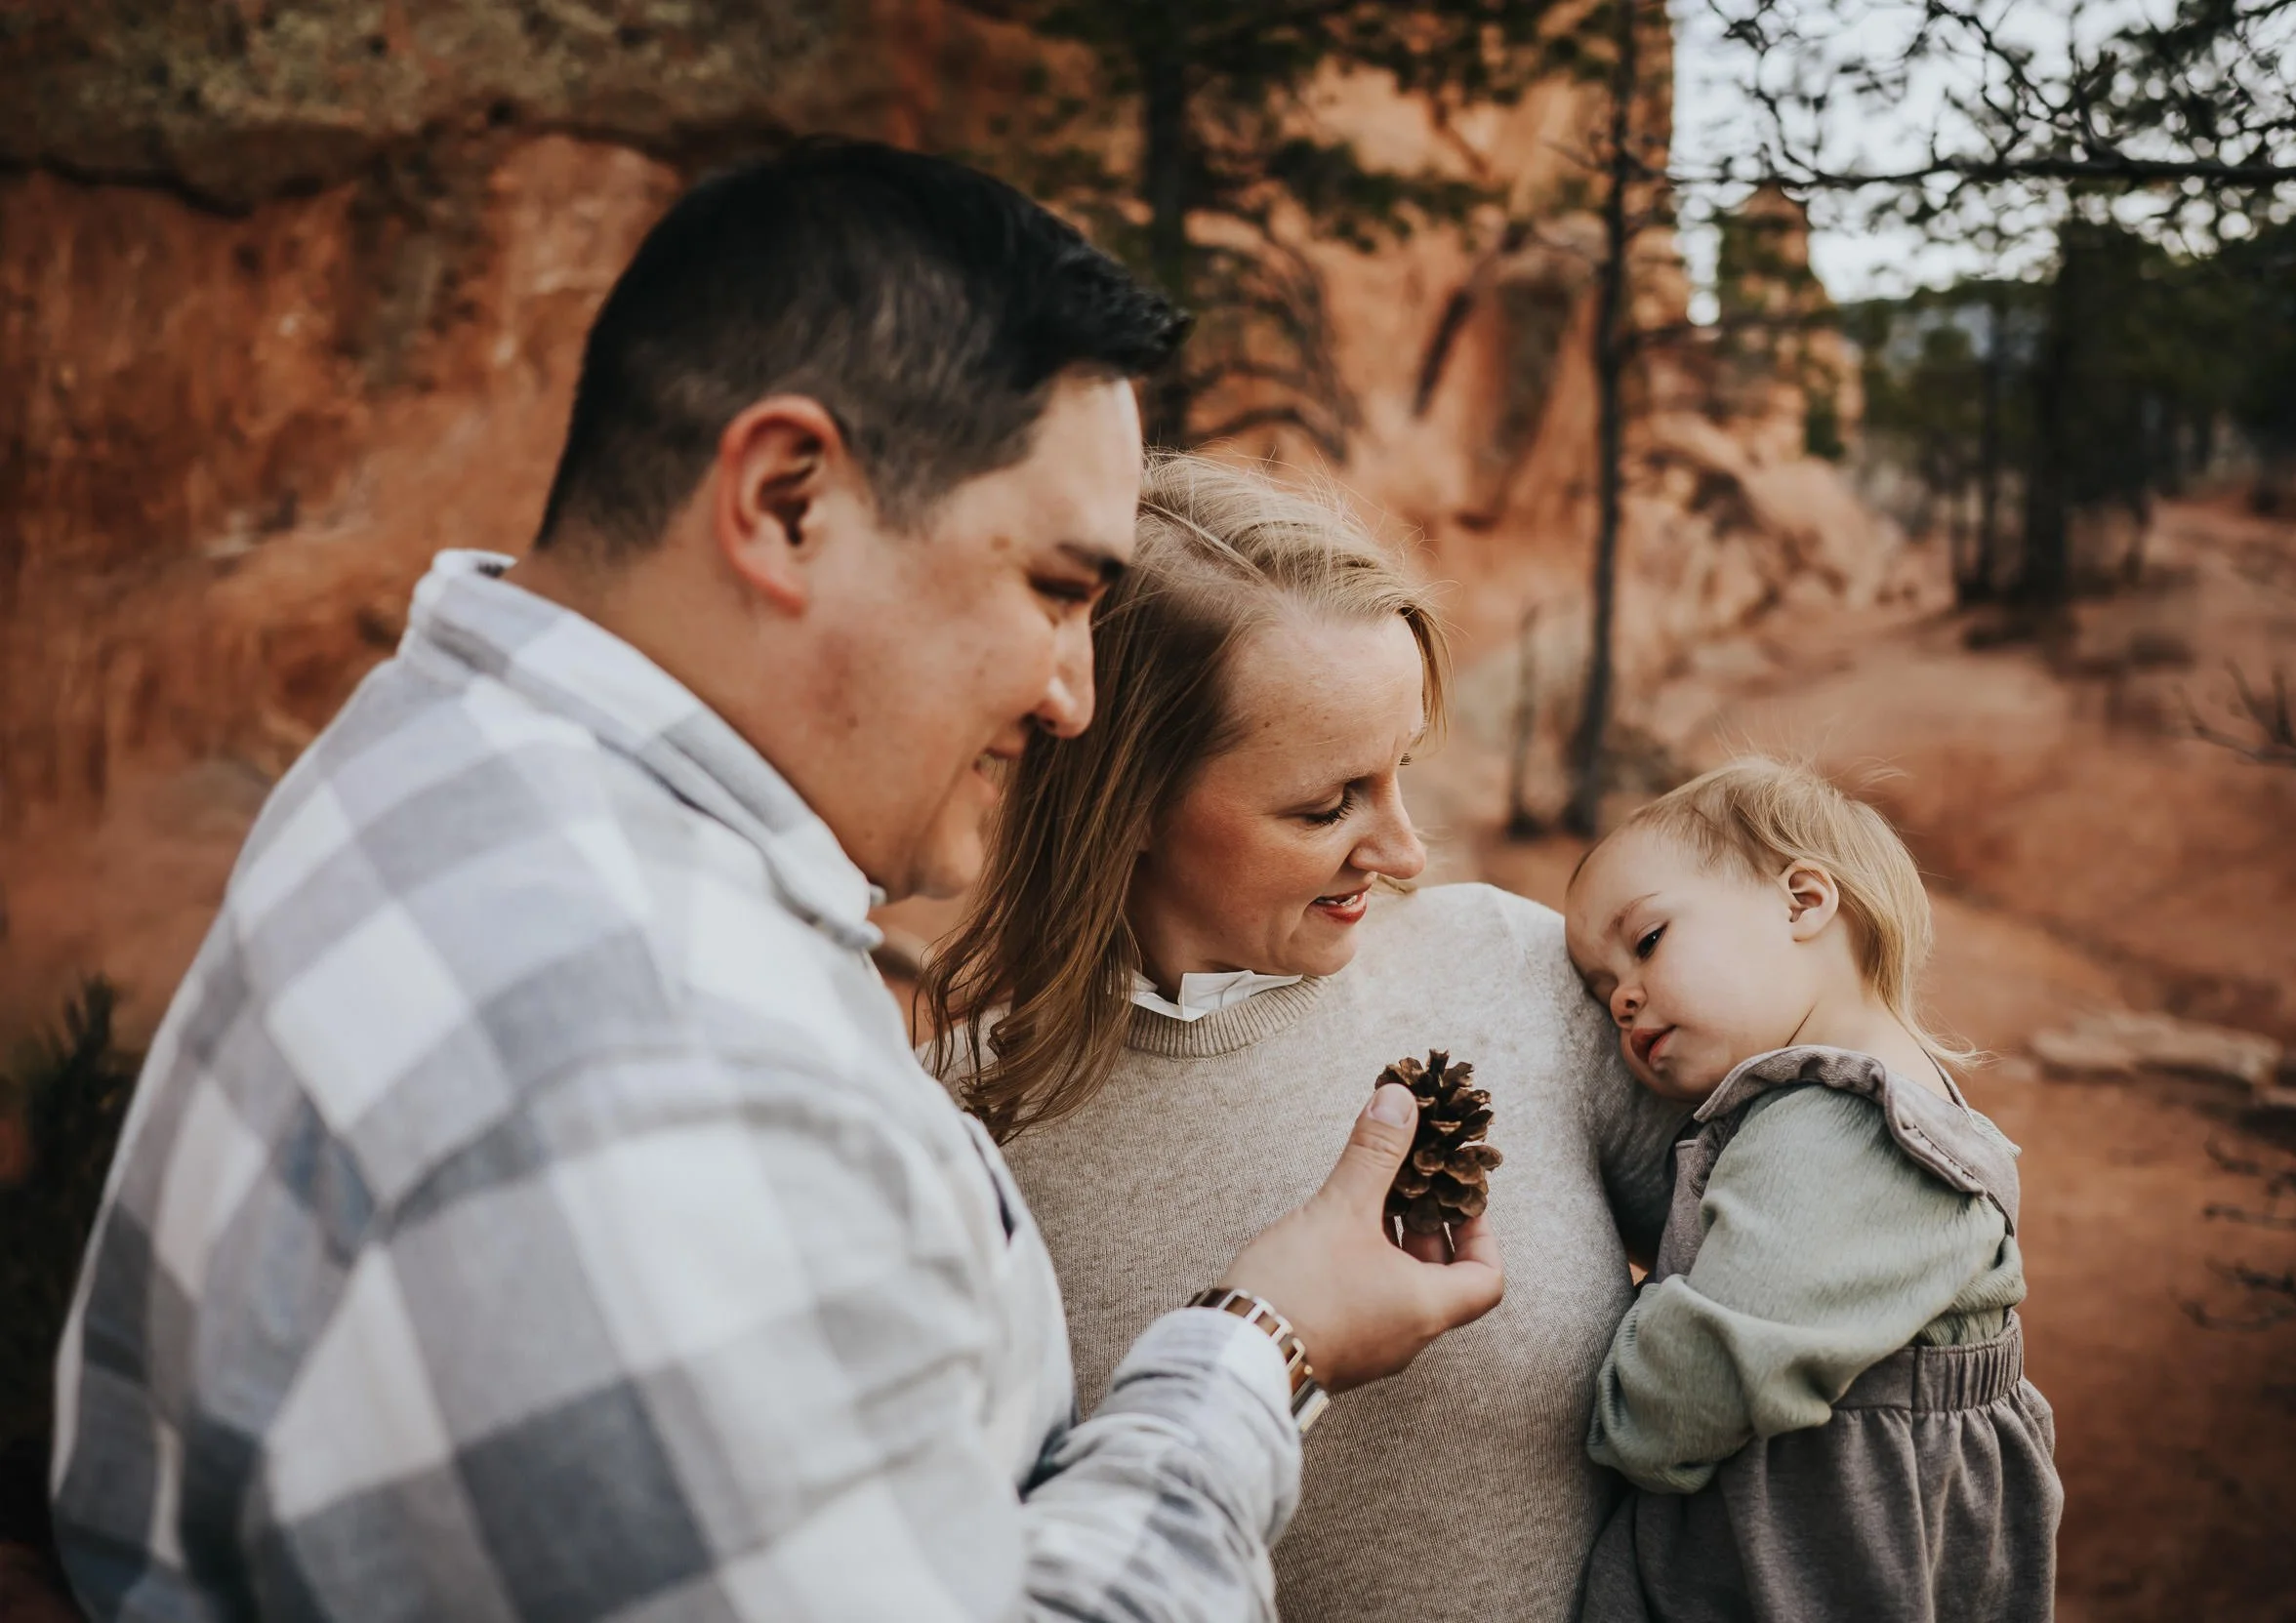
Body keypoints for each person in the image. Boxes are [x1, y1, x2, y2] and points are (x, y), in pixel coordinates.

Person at [48, 140, 1504, 1622]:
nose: (1075, 692)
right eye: (1057, 589)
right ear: (787, 499)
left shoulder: (437, 753)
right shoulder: (642, 1055)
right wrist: (1258, 1346)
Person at [925, 454, 1691, 1623]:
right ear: (1121, 801)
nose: (1406, 852)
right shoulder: (954, 1134)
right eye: (1325, 804)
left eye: (1402, 772)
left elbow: (1788, 1259)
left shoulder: (1520, 971)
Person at [1562, 757, 2063, 1623]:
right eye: (1604, 990)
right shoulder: (1880, 1105)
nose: (1623, 1001)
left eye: (1645, 943)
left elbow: (1685, 1397)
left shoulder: (1841, 1132)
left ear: (1803, 902)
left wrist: (1615, 1387)